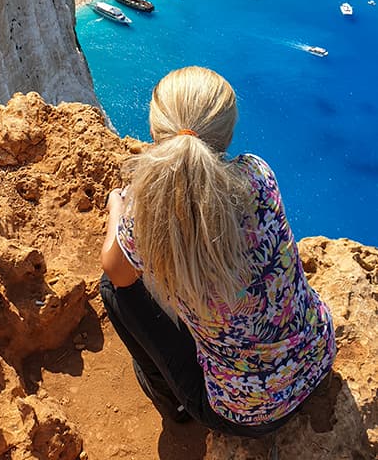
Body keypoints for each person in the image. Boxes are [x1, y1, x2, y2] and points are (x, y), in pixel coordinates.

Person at [100, 66, 336, 436]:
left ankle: (174, 401)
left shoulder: (142, 219)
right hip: (316, 359)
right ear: (227, 135)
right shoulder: (258, 174)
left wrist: (118, 208)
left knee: (113, 288)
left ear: (155, 132)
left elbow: (115, 268)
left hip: (247, 413)